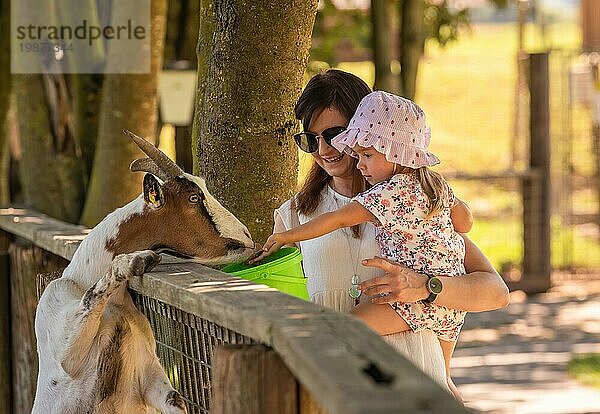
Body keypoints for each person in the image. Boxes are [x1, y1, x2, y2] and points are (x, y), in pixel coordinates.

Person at [264, 69, 509, 397]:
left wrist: (425, 287)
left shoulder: (414, 202)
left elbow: (495, 291)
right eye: (311, 139)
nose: (323, 149)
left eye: (335, 134)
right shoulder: (292, 217)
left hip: (416, 384)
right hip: (335, 390)